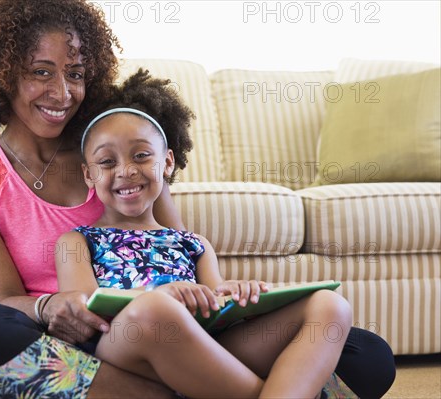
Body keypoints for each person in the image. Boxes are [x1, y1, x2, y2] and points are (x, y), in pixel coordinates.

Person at [0, 0, 396, 397]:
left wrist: (227, 296)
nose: (62, 93)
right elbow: (2, 301)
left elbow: (180, 257)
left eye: (75, 74)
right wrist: (49, 305)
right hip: (82, 346)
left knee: (365, 354)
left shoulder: (119, 149)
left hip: (182, 336)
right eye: (41, 73)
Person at [55, 70, 352, 398]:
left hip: (201, 349)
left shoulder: (193, 244)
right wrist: (160, 295)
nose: (126, 170)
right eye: (107, 162)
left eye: (141, 155)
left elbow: (217, 303)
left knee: (331, 305)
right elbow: (84, 312)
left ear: (167, 163)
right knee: (156, 310)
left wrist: (238, 293)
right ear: (88, 174)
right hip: (125, 350)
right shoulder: (77, 241)